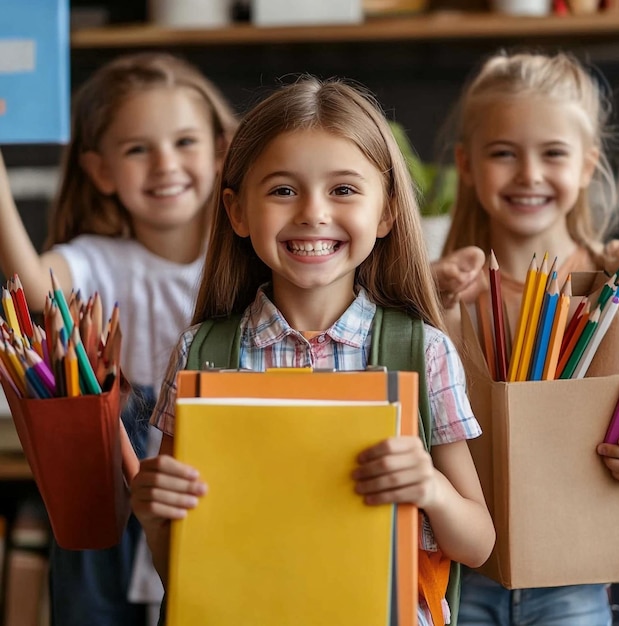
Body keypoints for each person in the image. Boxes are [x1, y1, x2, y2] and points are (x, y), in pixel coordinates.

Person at [129, 75, 496, 626]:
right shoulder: (202, 352)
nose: (312, 212)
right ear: (237, 212)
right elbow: (178, 568)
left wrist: (432, 490)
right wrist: (153, 512)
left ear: (387, 212)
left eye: (344, 190)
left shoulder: (423, 350)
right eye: (282, 190)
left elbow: (478, 545)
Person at [0, 52, 238, 626]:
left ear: (221, 151)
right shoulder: (97, 261)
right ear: (101, 171)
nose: (165, 164)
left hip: (212, 467)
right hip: (116, 463)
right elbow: (35, 287)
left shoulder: (244, 255)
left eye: (184, 142)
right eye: (137, 149)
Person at [442, 50, 619, 626]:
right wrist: (430, 295)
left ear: (589, 164)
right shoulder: (446, 292)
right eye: (504, 153)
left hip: (575, 576)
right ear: (466, 165)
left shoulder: (614, 286)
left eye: (553, 153)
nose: (529, 174)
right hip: (459, 575)